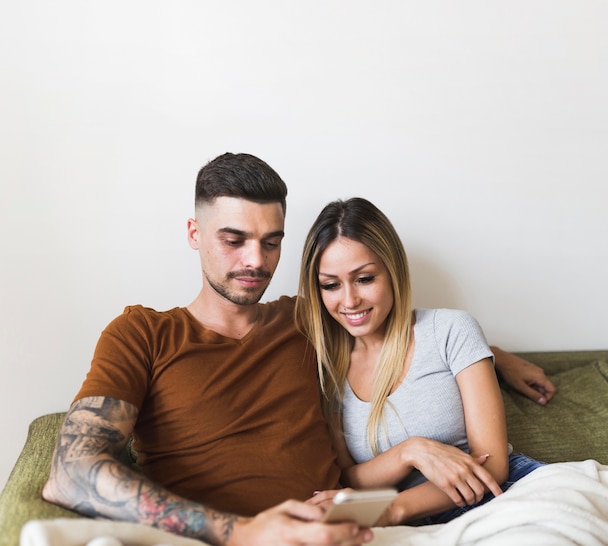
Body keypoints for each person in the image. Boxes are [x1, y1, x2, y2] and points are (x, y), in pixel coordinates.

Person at [43, 153, 555, 545]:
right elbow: (71, 473)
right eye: (234, 239)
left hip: (338, 531)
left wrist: (495, 356)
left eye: (271, 241)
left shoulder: (306, 321)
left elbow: (389, 327)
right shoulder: (142, 334)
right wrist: (242, 532)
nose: (255, 260)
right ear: (194, 234)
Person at [296, 197, 547, 526]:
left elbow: (494, 465)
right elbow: (349, 477)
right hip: (416, 526)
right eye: (330, 285)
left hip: (501, 498)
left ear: (393, 271)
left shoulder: (450, 330)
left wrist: (393, 509)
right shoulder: (328, 369)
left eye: (365, 278)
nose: (349, 300)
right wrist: (409, 452)